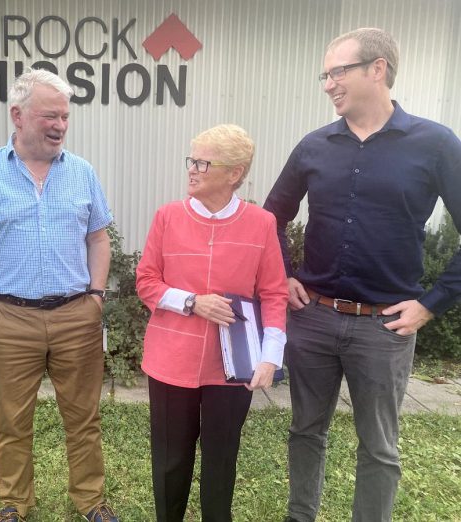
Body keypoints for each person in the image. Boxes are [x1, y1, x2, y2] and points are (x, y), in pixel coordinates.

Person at [263, 27, 461, 522]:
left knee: (379, 447)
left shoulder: (435, 144)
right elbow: (272, 217)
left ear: (378, 69)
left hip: (385, 327)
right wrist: (285, 274)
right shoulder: (314, 145)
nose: (328, 83)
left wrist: (431, 302)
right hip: (314, 319)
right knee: (306, 431)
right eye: (324, 75)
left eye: (338, 72)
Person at [0, 68, 119, 522]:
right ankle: (14, 504)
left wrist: (96, 297)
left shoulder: (81, 172)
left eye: (65, 116)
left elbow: (99, 239)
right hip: (9, 318)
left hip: (76, 316)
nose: (60, 125)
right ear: (17, 115)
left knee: (83, 419)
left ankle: (91, 502)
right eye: (49, 116)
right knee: (11, 422)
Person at [136, 124, 289, 522]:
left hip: (233, 366)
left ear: (234, 172)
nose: (192, 169)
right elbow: (146, 281)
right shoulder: (167, 216)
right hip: (171, 361)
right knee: (171, 459)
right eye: (192, 160)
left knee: (221, 461)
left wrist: (271, 357)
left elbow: (274, 292)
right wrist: (191, 302)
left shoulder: (261, 224)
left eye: (203, 162)